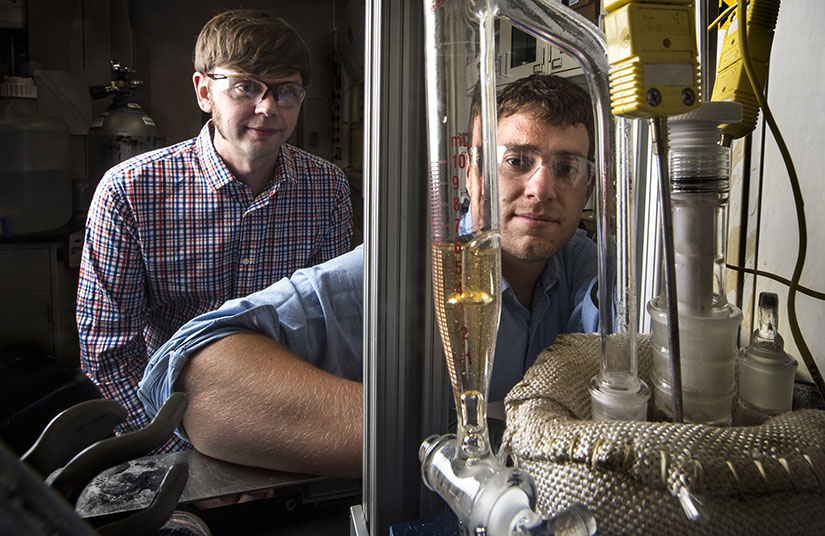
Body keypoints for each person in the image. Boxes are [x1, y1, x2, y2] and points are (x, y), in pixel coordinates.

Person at [139, 74, 598, 475]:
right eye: (516, 161)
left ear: (589, 187)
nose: (541, 189)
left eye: (566, 168)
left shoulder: (586, 265)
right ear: (473, 173)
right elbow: (198, 377)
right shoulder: (409, 271)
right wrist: (461, 439)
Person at [77, 9, 353, 451]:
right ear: (204, 91)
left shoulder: (326, 189)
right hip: (169, 426)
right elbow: (108, 352)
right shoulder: (129, 192)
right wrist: (182, 451)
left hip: (289, 421)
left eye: (286, 93)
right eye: (246, 87)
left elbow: (331, 329)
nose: (268, 108)